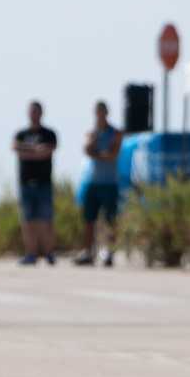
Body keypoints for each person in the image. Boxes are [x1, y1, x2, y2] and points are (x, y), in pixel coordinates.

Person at [76, 100, 123, 266]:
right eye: (97, 112)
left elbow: (113, 154)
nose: (100, 115)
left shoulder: (115, 132)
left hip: (109, 182)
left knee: (110, 220)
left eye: (102, 112)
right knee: (89, 219)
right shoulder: (92, 133)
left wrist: (98, 154)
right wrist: (98, 149)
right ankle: (88, 252)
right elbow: (87, 149)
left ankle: (110, 251)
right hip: (93, 181)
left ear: (106, 113)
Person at [11, 101, 58, 265]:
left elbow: (47, 152)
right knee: (28, 220)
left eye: (36, 111)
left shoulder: (49, 133)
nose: (34, 114)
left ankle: (49, 253)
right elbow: (16, 149)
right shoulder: (21, 133)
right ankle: (30, 254)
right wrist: (35, 150)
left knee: (46, 219)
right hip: (26, 183)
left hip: (44, 182)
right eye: (31, 111)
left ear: (41, 113)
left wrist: (29, 151)